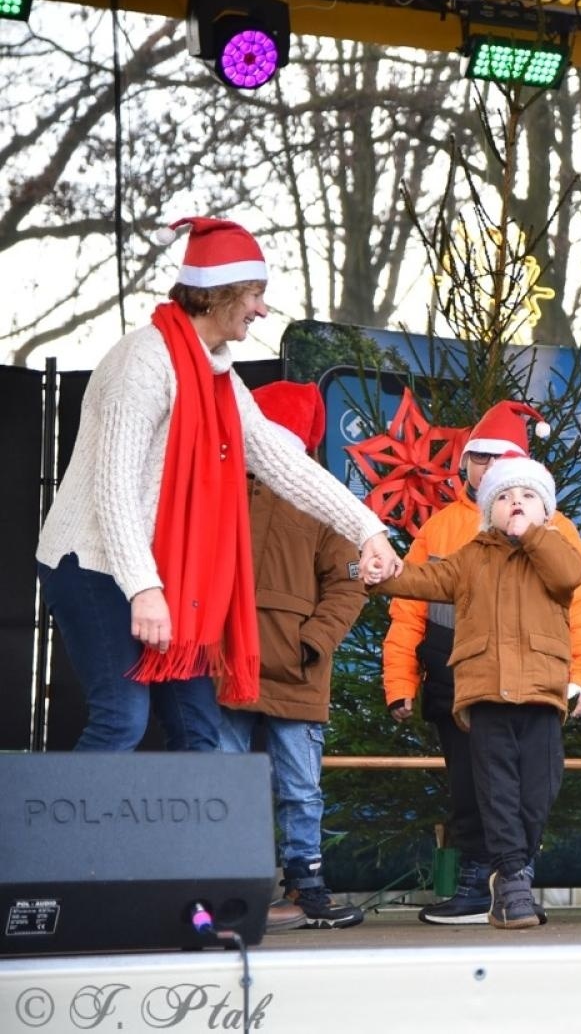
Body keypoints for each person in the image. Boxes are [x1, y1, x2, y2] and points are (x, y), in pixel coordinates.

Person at [36, 217, 400, 753]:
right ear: (218, 294)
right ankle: (51, 840)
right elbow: (113, 491)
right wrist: (145, 590)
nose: (261, 308)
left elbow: (283, 462)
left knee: (198, 731)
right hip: (93, 564)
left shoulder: (220, 378)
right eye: (254, 293)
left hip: (161, 576)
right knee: (122, 719)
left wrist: (367, 530)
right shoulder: (142, 362)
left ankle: (188, 843)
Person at [381, 401, 581, 925]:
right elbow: (409, 600)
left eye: (503, 461)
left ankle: (511, 879)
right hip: (462, 679)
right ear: (467, 465)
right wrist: (400, 679)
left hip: (537, 681)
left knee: (531, 787)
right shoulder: (446, 532)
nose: (489, 468)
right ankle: (479, 883)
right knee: (471, 788)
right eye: (480, 458)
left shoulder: (556, 531)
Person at [216, 382, 369, 932]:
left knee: (300, 789)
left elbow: (349, 584)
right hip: (227, 662)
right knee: (227, 780)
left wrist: (313, 642)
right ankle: (228, 886)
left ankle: (307, 886)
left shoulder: (320, 496)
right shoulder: (220, 485)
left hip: (299, 670)